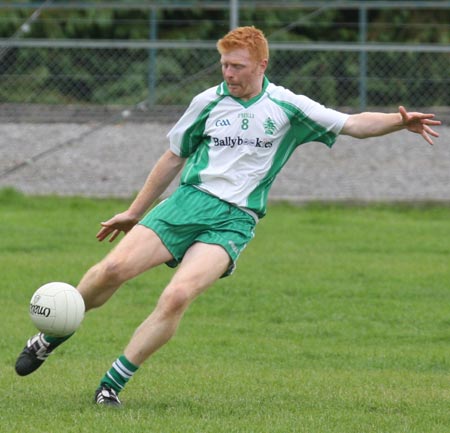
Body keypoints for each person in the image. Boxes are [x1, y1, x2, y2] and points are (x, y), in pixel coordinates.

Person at [15, 26, 441, 407]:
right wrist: (134, 211)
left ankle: (111, 385)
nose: (229, 73)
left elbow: (352, 123)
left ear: (261, 64)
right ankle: (51, 335)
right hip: (187, 202)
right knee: (112, 269)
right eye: (224, 65)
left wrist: (397, 123)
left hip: (234, 219)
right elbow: (172, 157)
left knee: (177, 296)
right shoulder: (207, 101)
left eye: (237, 66)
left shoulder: (286, 106)